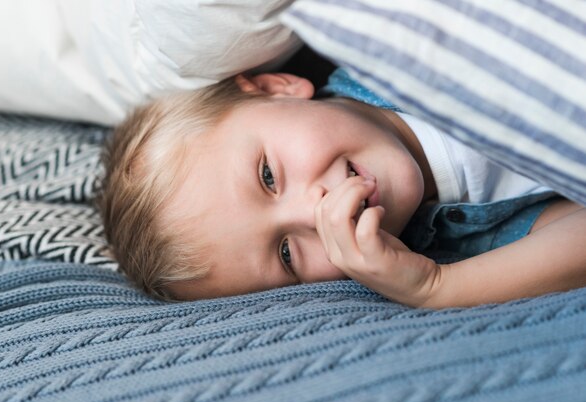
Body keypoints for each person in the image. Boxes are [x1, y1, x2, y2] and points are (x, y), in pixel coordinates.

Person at [98, 69, 586, 308]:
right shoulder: (453, 247)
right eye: (287, 254)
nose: (316, 212)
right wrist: (436, 288)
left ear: (276, 87)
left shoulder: (394, 51)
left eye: (268, 176)